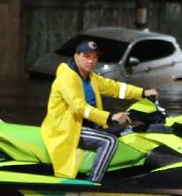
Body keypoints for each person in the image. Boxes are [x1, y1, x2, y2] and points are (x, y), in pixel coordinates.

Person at [40, 40, 158, 183]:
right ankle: (93, 183)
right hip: (68, 128)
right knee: (109, 141)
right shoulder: (67, 78)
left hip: (86, 126)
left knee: (126, 132)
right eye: (86, 56)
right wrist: (110, 117)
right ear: (76, 56)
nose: (91, 61)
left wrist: (142, 93)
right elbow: (79, 106)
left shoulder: (90, 77)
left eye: (95, 57)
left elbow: (114, 88)